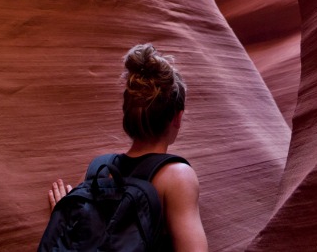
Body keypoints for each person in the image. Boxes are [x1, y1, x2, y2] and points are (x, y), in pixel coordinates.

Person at [48, 44, 208, 251]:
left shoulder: (97, 169)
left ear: (127, 114)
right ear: (177, 118)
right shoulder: (177, 177)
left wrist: (62, 216)